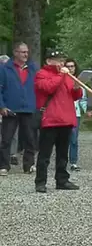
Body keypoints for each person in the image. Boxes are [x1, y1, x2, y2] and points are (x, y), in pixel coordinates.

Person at [33, 49, 81, 192]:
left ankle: (62, 180)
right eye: (59, 60)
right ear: (48, 61)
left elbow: (75, 96)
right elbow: (48, 88)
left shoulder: (66, 76)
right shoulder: (41, 74)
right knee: (45, 154)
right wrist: (61, 75)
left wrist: (77, 87)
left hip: (66, 119)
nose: (62, 63)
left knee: (62, 154)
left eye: (62, 60)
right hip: (50, 120)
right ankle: (40, 182)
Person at [0, 42, 39, 176]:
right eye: (23, 52)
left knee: (30, 139)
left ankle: (29, 165)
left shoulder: (33, 68)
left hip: (28, 108)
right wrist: (2, 106)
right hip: (10, 108)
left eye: (27, 52)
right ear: (15, 53)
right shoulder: (5, 68)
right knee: (6, 139)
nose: (25, 55)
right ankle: (4, 166)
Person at [65, 58, 87, 171]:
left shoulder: (79, 81)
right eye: (68, 66)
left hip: (76, 113)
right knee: (63, 138)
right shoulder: (61, 79)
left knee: (74, 139)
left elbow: (83, 98)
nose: (70, 68)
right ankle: (62, 161)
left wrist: (86, 110)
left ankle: (73, 162)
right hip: (63, 112)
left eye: (72, 66)